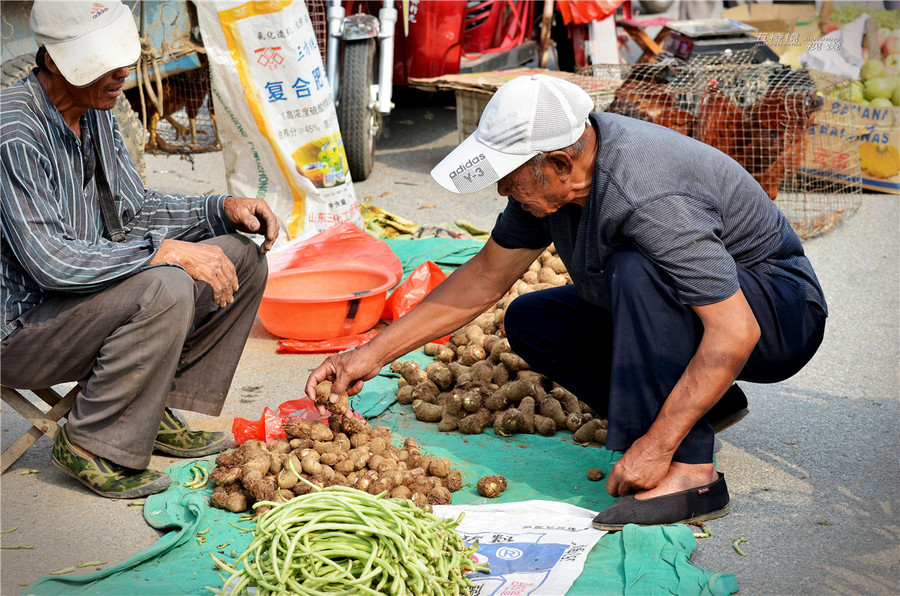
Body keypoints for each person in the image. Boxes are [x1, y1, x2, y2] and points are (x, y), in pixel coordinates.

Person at [306, 74, 826, 530]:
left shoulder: (645, 195)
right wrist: (368, 355)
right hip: (715, 312)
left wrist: (659, 444)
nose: (505, 193)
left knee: (635, 267)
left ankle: (692, 472)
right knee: (533, 319)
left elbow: (735, 331)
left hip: (780, 313)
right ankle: (707, 404)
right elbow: (487, 275)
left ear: (558, 163)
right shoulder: (556, 179)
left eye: (511, 181)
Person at [1, 0, 278, 499]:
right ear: (56, 61)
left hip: (76, 304)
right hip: (20, 328)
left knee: (241, 256)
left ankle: (152, 408)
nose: (121, 74)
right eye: (103, 64)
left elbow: (134, 208)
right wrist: (163, 253)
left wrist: (221, 207)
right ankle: (90, 442)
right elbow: (52, 264)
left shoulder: (93, 108)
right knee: (167, 283)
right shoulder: (14, 134)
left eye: (121, 60)